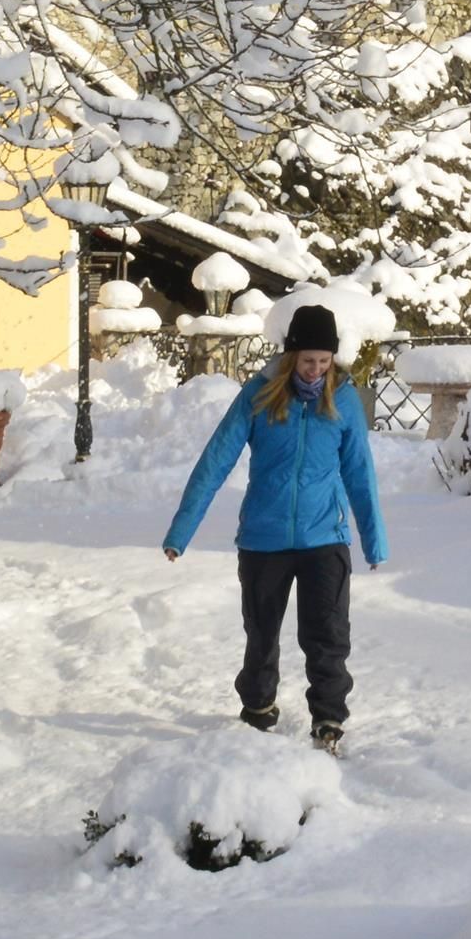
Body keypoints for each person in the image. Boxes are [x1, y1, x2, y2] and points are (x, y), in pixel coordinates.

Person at [162, 303, 386, 750]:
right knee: (261, 634)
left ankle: (328, 720)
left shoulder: (341, 400)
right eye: (308, 361)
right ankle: (258, 709)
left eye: (325, 362)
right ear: (290, 356)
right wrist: (180, 532)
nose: (317, 370)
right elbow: (215, 461)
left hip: (325, 537)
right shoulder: (259, 396)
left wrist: (374, 540)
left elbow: (360, 473)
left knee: (326, 636)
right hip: (264, 539)